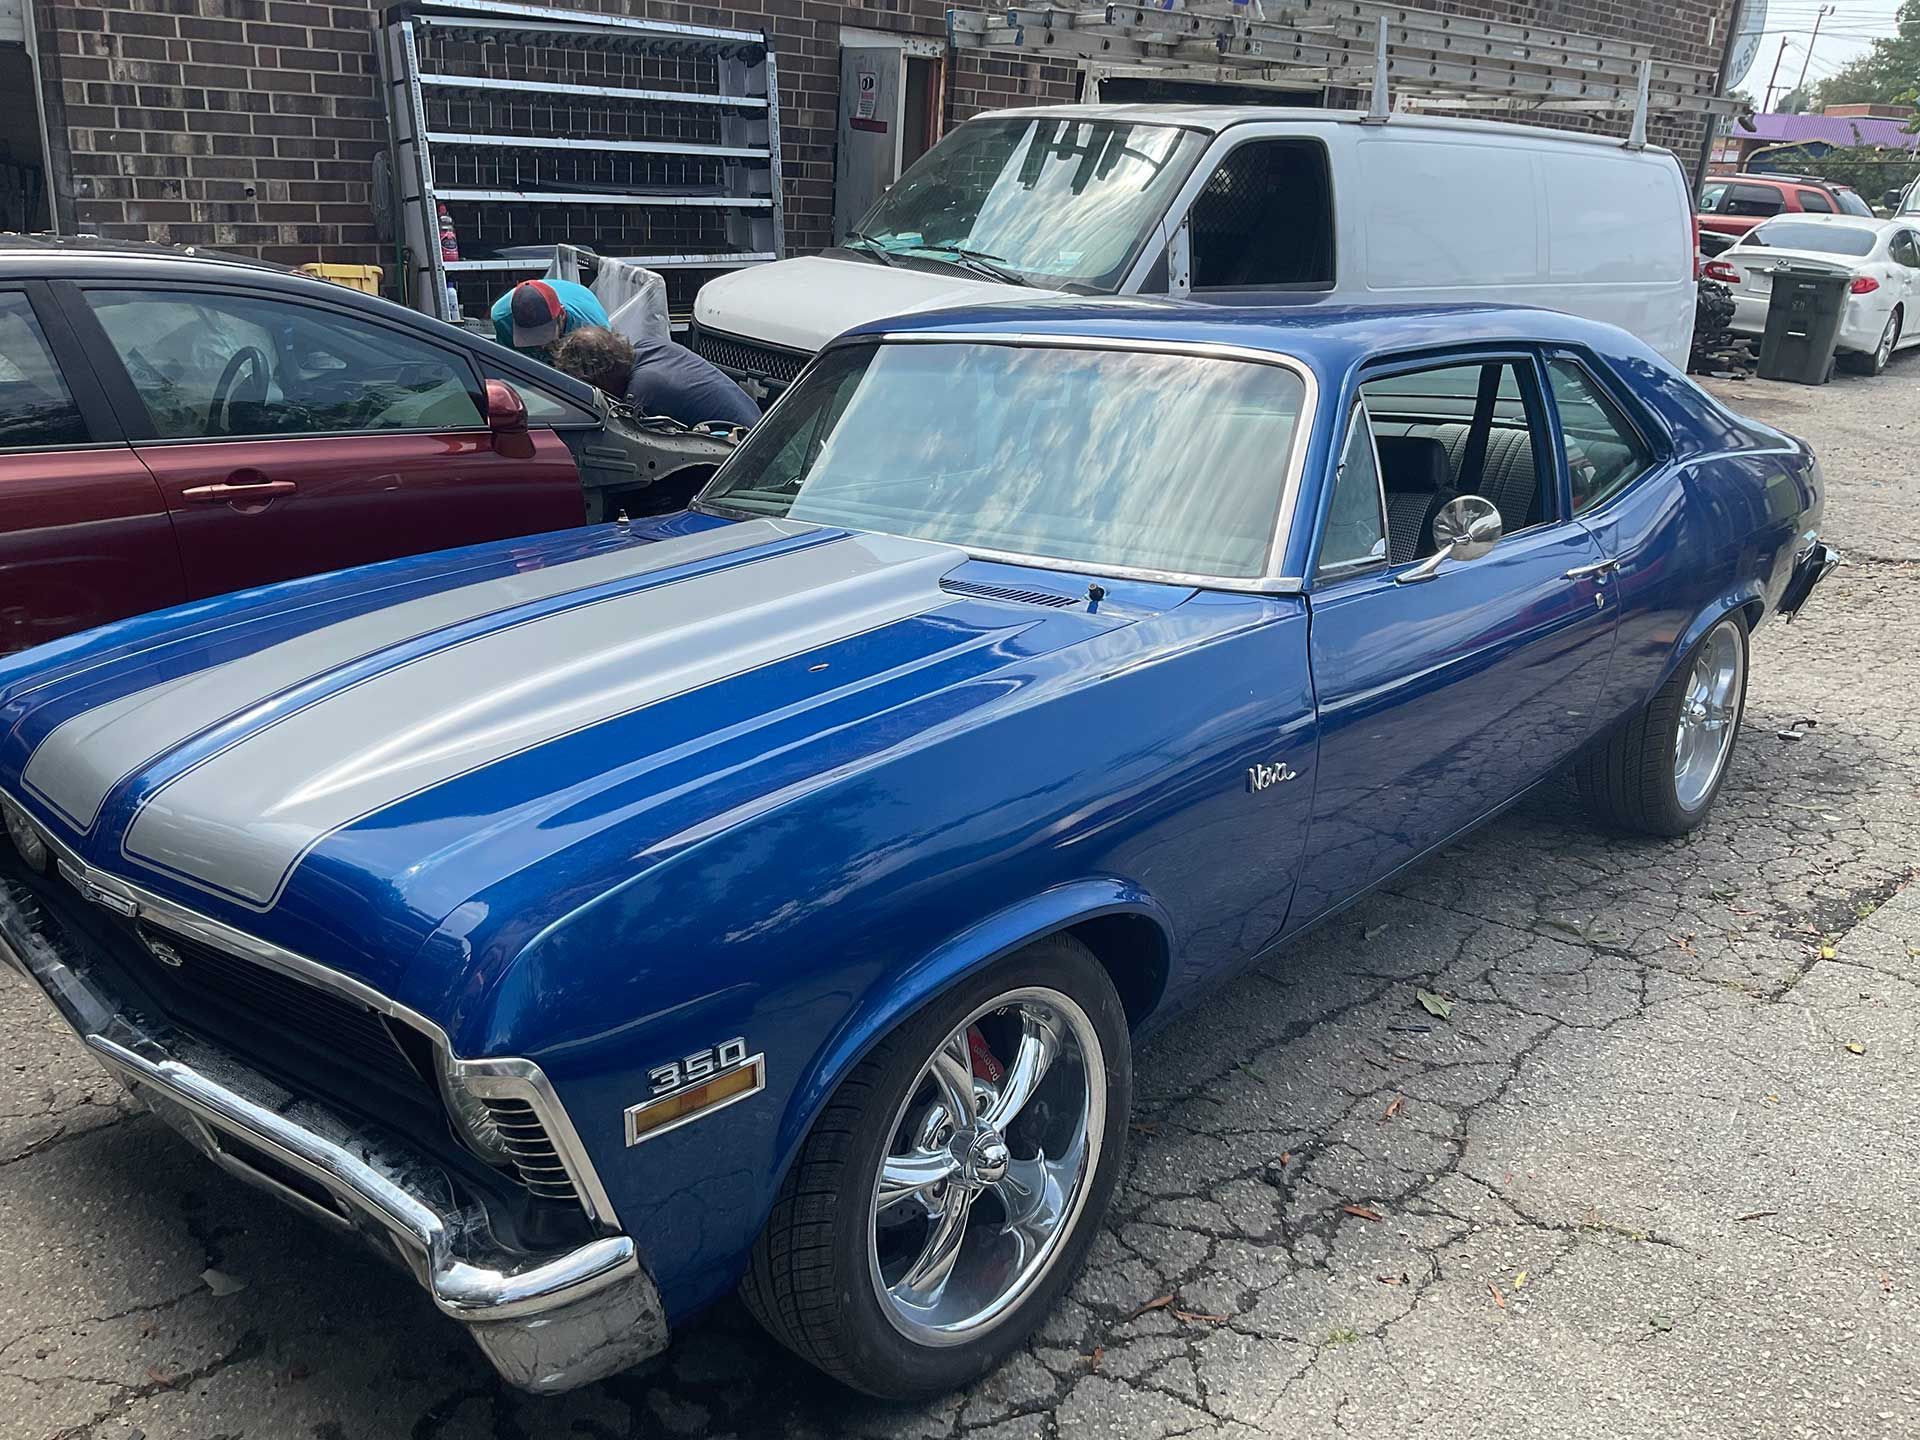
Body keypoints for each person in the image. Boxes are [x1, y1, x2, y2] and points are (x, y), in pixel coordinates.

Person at [548, 325, 760, 429]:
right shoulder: (650, 345)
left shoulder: (642, 392)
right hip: (757, 424)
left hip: (743, 450)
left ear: (601, 377)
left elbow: (624, 437)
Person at [490, 278, 609, 354]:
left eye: (543, 333)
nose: (540, 345)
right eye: (529, 335)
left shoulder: (590, 325)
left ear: (561, 315)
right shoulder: (502, 318)